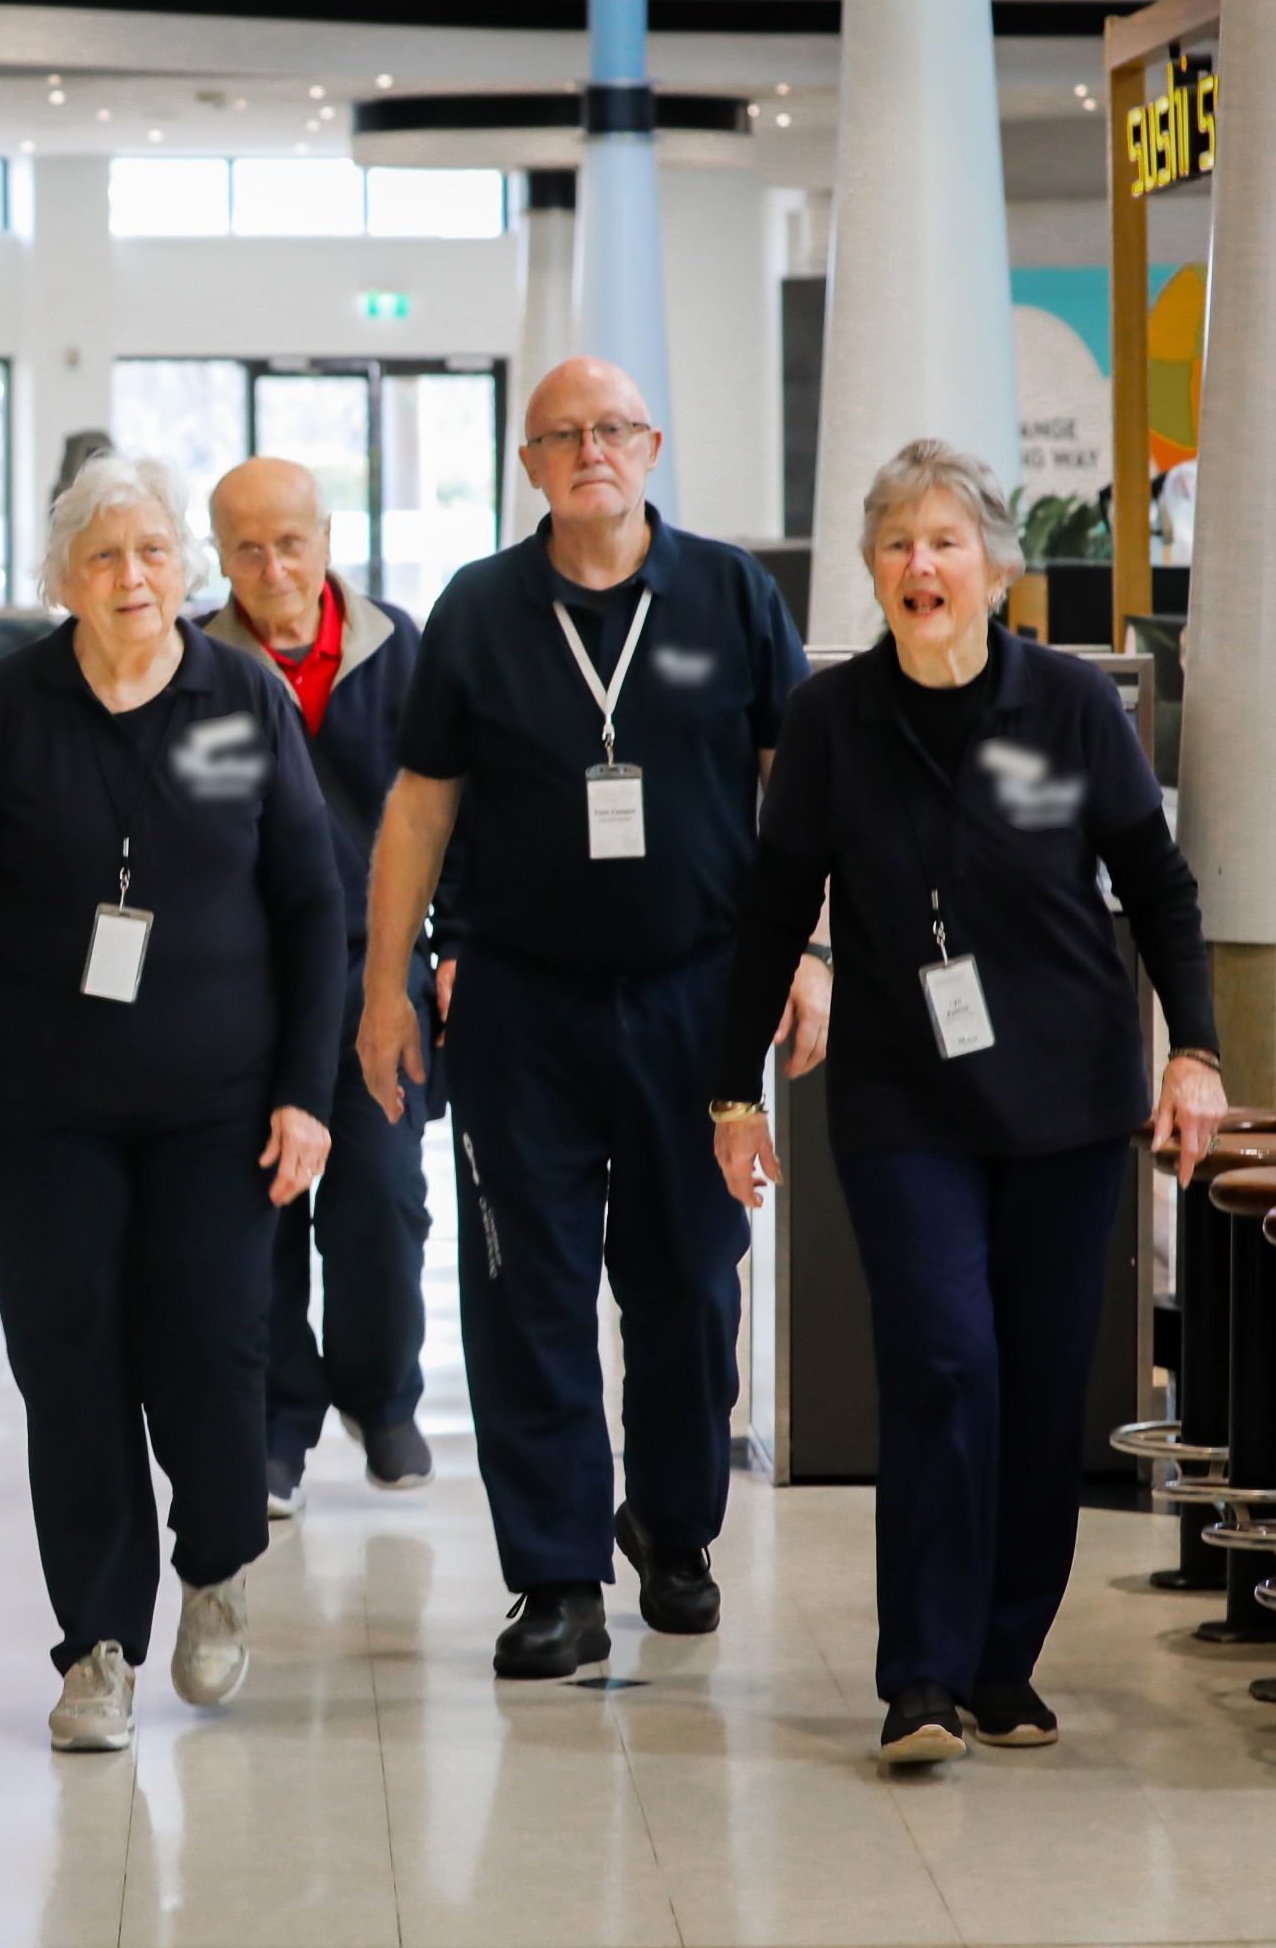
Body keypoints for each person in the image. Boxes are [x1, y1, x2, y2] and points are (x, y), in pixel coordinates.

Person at [710, 440, 1226, 1764]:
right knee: (946, 1361)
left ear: (995, 566)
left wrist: (1195, 1055)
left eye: (945, 541)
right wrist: (729, 1090)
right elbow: (772, 912)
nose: (920, 565)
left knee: (1044, 1386)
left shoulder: (1066, 709)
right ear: (872, 572)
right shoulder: (833, 721)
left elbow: (1155, 885)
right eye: (896, 544)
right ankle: (923, 1677)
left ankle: (1006, 1660)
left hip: (1064, 1094)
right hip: (905, 1101)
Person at [356, 356, 827, 1679]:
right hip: (518, 1001)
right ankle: (555, 1577)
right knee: (530, 1290)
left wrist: (815, 951)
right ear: (529, 464)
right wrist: (386, 982)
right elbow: (419, 805)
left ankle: (674, 1534)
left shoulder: (730, 593)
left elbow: (800, 792)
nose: (590, 451)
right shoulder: (481, 608)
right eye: (562, 435)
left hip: (699, 997)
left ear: (653, 445)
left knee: (688, 1278)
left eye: (612, 429)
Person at [0, 454, 345, 1753]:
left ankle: (213, 1563)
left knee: (211, 1348)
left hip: (219, 1103)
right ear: (62, 581)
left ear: (184, 569)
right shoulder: (7, 710)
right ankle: (97, 1643)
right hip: (44, 1105)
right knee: (70, 1364)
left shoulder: (240, 698)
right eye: (104, 558)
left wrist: (306, 1096)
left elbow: (313, 909)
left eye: (153, 552)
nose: (133, 577)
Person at [202, 456, 438, 1517]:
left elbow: (457, 804)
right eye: (246, 547)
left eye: (289, 541)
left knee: (382, 1195)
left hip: (373, 967)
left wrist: (457, 941)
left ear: (327, 539)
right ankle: (275, 1426)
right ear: (219, 555)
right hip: (240, 983)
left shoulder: (401, 650)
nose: (271, 566)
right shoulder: (192, 661)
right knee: (261, 1209)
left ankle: (383, 1395)